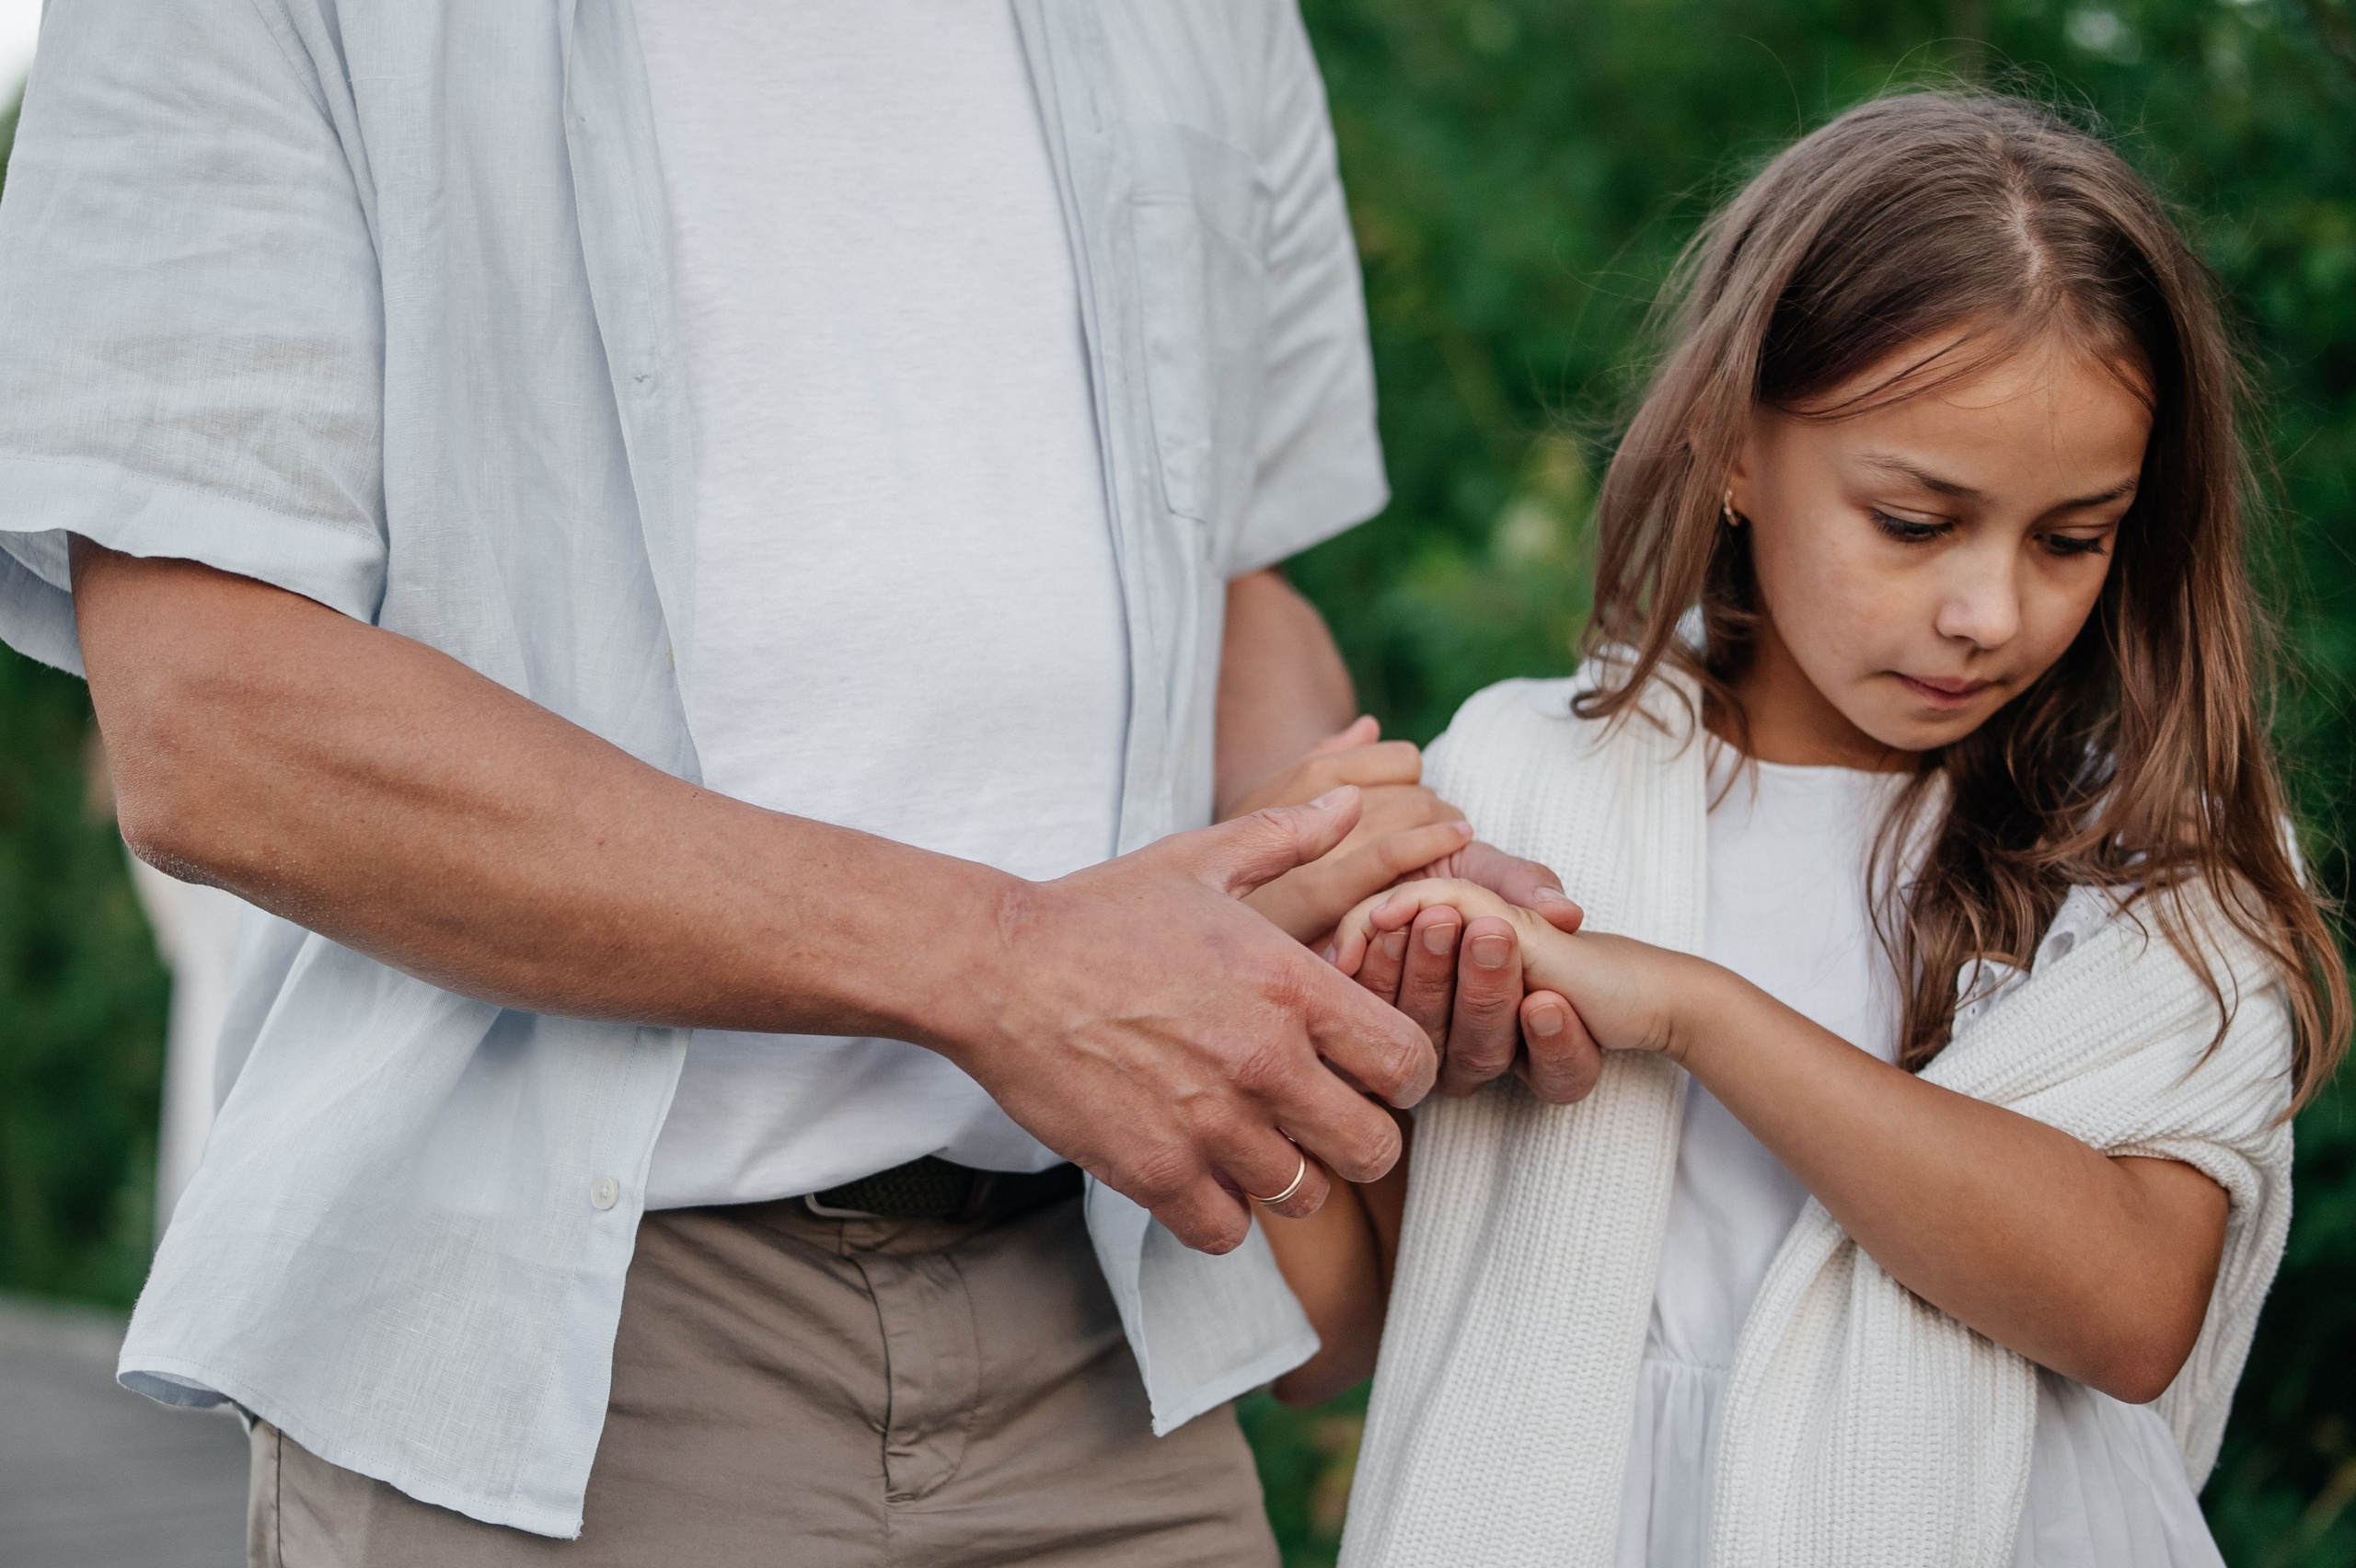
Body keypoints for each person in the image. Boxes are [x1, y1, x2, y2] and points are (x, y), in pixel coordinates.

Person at [0, 3, 1593, 1563]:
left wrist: (1367, 881)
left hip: (1115, 1347)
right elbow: (218, 728)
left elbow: (1233, 591)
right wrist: (1006, 964)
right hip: (558, 1360)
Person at [1264, 93, 2350, 1567]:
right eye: (1915, 523)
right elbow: (1346, 1327)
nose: (1989, 613)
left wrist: (1695, 1011)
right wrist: (1273, 978)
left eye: (2072, 538)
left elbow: (2132, 1307)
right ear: (1732, 450)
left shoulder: (2153, 837)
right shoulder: (1525, 788)